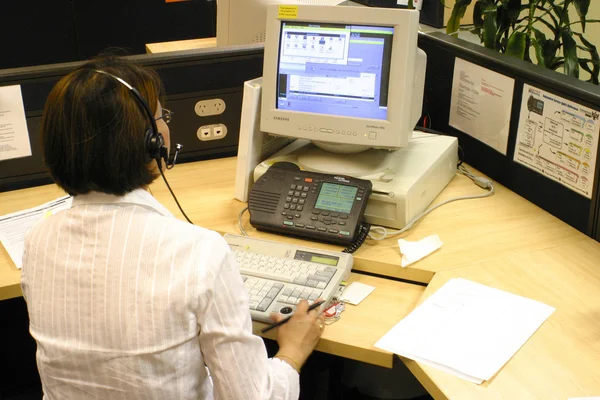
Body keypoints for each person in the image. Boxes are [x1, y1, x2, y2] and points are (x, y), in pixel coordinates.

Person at [20, 56, 324, 399]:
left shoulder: (38, 240)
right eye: (161, 117)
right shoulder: (198, 252)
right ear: (153, 141)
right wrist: (291, 353)